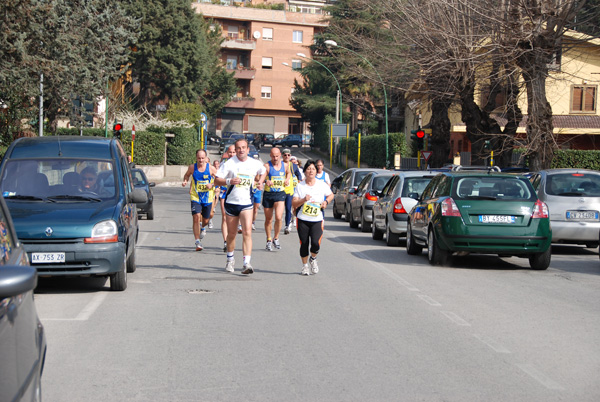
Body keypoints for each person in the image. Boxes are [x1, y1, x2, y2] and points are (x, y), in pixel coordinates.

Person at [214, 139, 266, 274]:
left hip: (247, 203)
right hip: (231, 202)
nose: (241, 150)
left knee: (247, 232)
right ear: (235, 150)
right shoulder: (229, 163)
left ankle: (246, 263)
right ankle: (230, 259)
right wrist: (229, 181)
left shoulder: (254, 163)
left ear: (248, 149)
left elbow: (264, 170)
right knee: (231, 234)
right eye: (238, 148)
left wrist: (260, 182)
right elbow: (216, 180)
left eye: (243, 148)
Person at [292, 160, 334, 276]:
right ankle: (305, 266)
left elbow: (331, 195)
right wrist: (303, 200)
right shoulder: (300, 186)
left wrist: (326, 202)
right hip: (302, 219)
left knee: (316, 243)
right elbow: (294, 203)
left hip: (317, 219)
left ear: (316, 171)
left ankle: (313, 258)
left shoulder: (322, 185)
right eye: (308, 169)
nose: (311, 171)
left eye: (313, 169)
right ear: (305, 171)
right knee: (304, 243)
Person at [182, 149, 218, 251]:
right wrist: (185, 181)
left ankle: (203, 227)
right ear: (196, 158)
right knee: (196, 217)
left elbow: (220, 179)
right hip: (196, 196)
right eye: (199, 158)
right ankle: (197, 241)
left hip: (208, 197)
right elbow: (187, 175)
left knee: (206, 219)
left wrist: (212, 184)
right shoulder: (192, 167)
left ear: (206, 158)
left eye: (203, 158)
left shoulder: (211, 169)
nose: (201, 160)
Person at [262, 147, 291, 251]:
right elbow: (258, 177)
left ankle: (276, 238)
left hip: (280, 193)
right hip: (269, 194)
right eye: (273, 156)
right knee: (269, 219)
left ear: (280, 155)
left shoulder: (285, 165)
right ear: (270, 155)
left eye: (277, 156)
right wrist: (266, 181)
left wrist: (287, 180)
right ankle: (269, 239)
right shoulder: (267, 166)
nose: (275, 158)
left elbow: (289, 173)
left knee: (279, 217)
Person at [219, 144, 236, 252]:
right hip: (224, 191)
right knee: (224, 217)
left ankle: (231, 238)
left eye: (233, 152)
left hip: (236, 193)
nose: (231, 154)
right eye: (230, 152)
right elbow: (218, 178)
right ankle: (226, 241)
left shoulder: (241, 164)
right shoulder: (223, 164)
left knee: (234, 219)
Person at [282, 149, 303, 235]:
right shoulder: (279, 164)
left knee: (288, 208)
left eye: (288, 155)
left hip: (289, 191)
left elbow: (299, 175)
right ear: (282, 156)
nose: (287, 156)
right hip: (279, 191)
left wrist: (299, 181)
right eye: (285, 155)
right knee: (278, 211)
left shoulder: (293, 166)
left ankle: (287, 225)